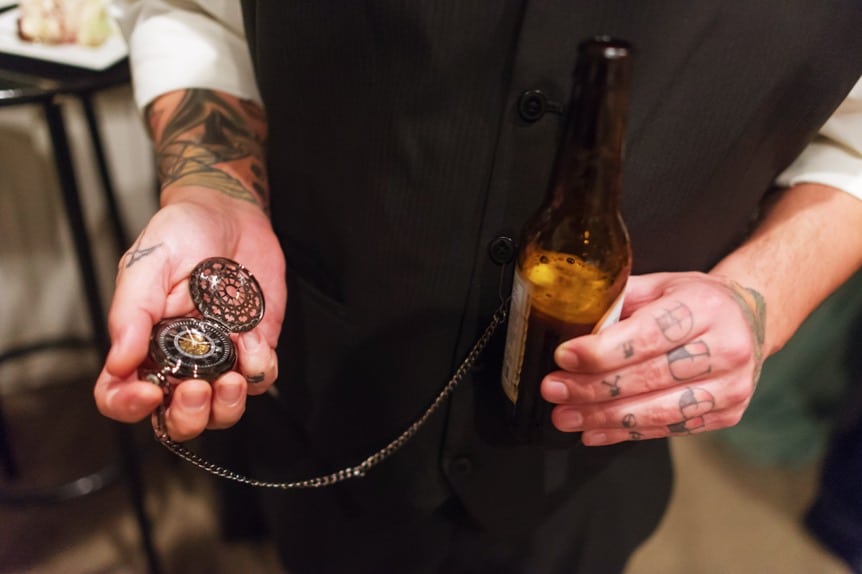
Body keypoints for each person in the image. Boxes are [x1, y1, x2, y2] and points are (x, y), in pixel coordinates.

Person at [96, 2, 862, 572]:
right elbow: (197, 9)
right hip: (330, 404)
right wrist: (210, 187)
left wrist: (762, 295)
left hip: (594, 451)